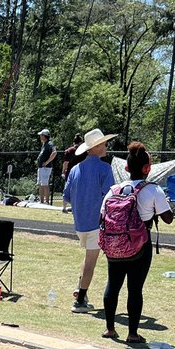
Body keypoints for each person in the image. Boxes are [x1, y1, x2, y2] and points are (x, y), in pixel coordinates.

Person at [100, 142, 173, 344]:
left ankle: (109, 329)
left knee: (112, 285)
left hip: (114, 245)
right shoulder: (153, 190)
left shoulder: (114, 190)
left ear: (126, 168)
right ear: (147, 168)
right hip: (139, 246)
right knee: (135, 288)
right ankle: (132, 333)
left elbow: (102, 218)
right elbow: (168, 218)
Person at [62, 127, 116, 313]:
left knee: (88, 258)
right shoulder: (104, 168)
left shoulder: (76, 169)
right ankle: (80, 300)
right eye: (104, 143)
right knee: (91, 262)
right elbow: (110, 196)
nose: (107, 146)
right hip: (97, 222)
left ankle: (81, 290)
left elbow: (66, 195)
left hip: (80, 222)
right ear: (98, 146)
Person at [61, 133, 84, 211]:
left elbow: (65, 163)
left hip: (70, 172)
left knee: (67, 189)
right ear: (81, 142)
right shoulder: (84, 151)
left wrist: (63, 171)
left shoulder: (69, 150)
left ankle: (64, 207)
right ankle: (75, 206)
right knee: (78, 190)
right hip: (80, 173)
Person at [35, 128, 56, 204]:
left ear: (44, 136)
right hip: (41, 167)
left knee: (45, 184)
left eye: (41, 135)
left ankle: (47, 202)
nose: (40, 137)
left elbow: (54, 153)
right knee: (40, 184)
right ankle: (41, 201)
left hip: (46, 168)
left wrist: (47, 162)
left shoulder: (50, 144)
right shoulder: (44, 144)